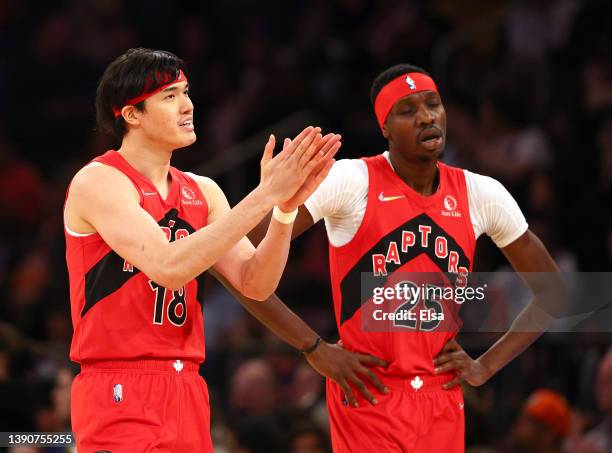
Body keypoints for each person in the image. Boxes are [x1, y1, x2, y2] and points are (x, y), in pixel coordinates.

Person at [243, 63, 562, 452]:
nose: (426, 116)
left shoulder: (480, 193)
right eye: (407, 110)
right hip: (367, 392)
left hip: (441, 397)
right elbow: (241, 258)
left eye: (433, 104)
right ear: (385, 128)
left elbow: (553, 293)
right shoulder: (351, 181)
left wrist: (486, 366)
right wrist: (313, 347)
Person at [63, 48, 341, 452]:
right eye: (170, 96)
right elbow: (168, 267)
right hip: (118, 383)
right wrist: (264, 195)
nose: (188, 105)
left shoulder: (203, 191)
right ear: (130, 114)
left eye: (186, 92)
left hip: (187, 386)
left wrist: (284, 209)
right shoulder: (99, 182)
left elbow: (256, 283)